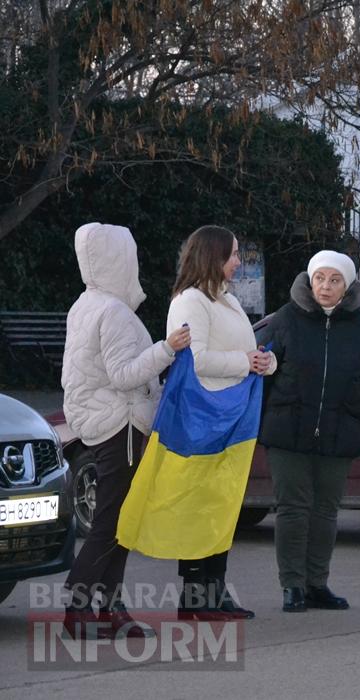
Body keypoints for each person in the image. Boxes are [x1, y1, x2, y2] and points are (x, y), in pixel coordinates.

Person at [60, 223, 191, 639]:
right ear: (119, 260)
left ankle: (110, 609)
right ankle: (79, 609)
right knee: (113, 524)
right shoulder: (114, 312)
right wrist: (168, 348)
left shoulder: (85, 304)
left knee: (119, 522)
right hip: (123, 426)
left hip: (104, 423)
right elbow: (122, 375)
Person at [255, 251, 360, 612]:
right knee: (292, 509)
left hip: (338, 433)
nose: (326, 287)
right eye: (320, 278)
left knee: (325, 511)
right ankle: (292, 586)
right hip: (287, 433)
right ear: (309, 280)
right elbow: (262, 372)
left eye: (334, 280)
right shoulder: (285, 320)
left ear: (347, 286)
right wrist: (257, 425)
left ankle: (317, 583)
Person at [167, 225, 276, 618]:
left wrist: (264, 362)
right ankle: (196, 596)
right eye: (232, 254)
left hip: (230, 414)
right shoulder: (190, 301)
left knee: (221, 503)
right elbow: (192, 361)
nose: (238, 262)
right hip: (203, 418)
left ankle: (215, 590)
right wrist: (244, 362)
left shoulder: (224, 299)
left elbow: (244, 349)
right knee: (202, 505)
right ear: (212, 256)